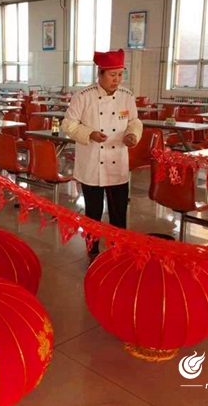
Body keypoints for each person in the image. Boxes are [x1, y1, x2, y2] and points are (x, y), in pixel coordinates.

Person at [62, 49, 143, 262]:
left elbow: (134, 121)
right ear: (100, 73)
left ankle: (121, 248)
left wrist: (132, 135)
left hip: (118, 164)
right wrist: (90, 133)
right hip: (92, 164)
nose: (117, 80)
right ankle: (92, 249)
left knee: (119, 212)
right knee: (94, 212)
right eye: (112, 75)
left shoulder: (126, 96)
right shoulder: (84, 96)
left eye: (120, 74)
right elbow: (68, 124)